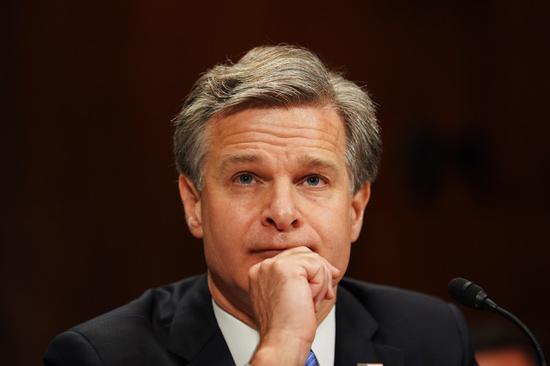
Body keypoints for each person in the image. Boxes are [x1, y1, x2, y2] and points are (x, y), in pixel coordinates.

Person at [44, 45, 478, 366]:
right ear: (194, 204)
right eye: (247, 178)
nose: (282, 212)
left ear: (356, 209)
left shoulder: (433, 337)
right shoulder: (100, 358)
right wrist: (283, 344)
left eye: (313, 179)